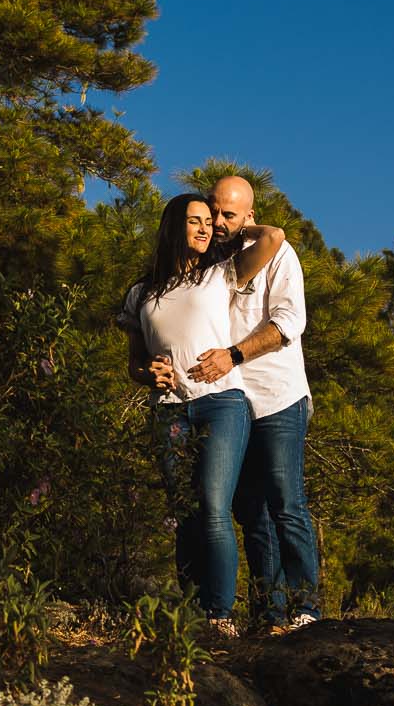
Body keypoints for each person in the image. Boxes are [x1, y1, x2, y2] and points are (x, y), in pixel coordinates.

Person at [117, 193, 285, 638]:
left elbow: (273, 237)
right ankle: (190, 615)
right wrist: (146, 373)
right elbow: (135, 363)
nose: (206, 228)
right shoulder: (141, 292)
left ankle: (220, 616)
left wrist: (236, 229)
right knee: (184, 512)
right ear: (173, 225)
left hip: (221, 403)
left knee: (213, 506)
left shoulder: (220, 273)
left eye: (209, 222)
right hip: (170, 409)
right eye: (195, 221)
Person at [188, 174, 320, 630]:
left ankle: (306, 609)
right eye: (215, 211)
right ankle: (269, 614)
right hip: (232, 404)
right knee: (251, 516)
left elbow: (288, 322)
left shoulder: (278, 255)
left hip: (279, 396)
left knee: (287, 503)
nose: (219, 221)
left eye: (230, 214)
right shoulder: (208, 267)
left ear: (249, 218)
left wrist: (235, 355)